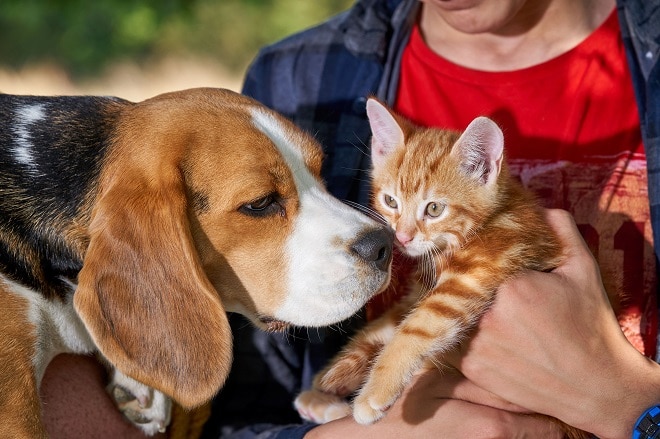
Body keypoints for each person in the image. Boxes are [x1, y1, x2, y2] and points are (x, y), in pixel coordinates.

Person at [200, 0, 660, 438]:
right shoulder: (299, 76)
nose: (400, 233)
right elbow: (230, 413)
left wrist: (628, 402)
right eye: (392, 206)